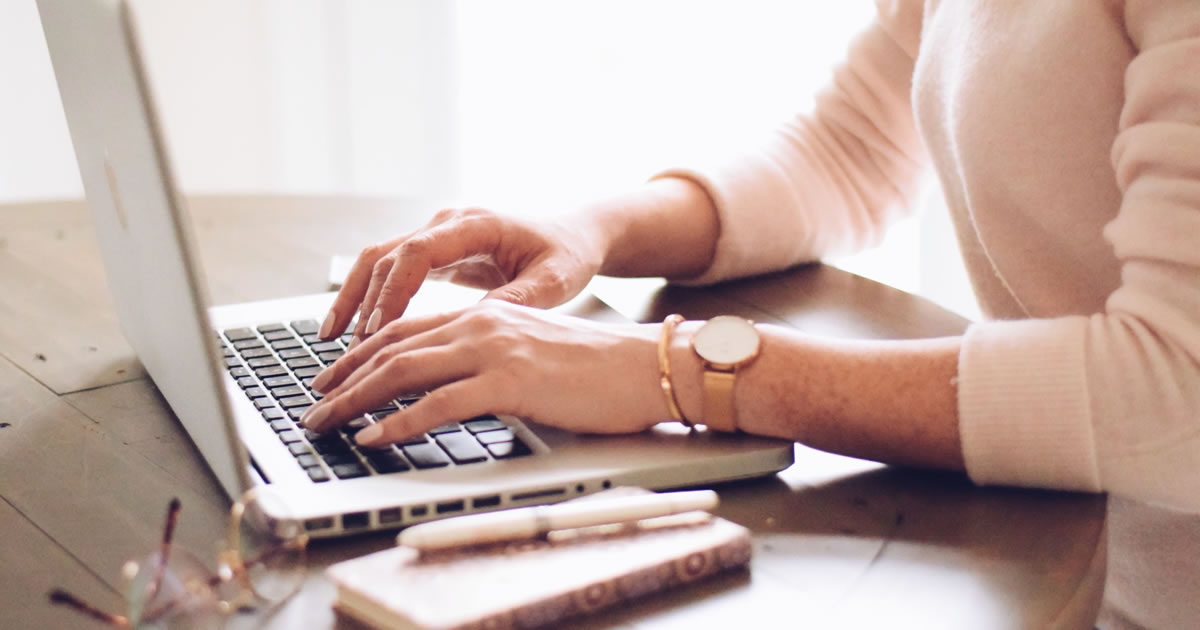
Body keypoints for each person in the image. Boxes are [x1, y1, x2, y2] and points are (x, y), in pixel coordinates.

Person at [299, 1, 1200, 627]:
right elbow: (849, 149)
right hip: (1082, 568)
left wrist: (679, 369)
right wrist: (592, 228)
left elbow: (1176, 394)